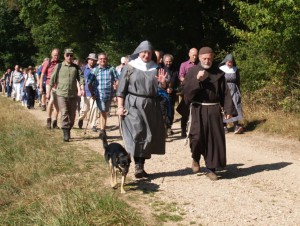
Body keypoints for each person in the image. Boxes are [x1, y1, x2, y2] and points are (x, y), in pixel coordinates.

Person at [183, 47, 237, 181]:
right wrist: (197, 80)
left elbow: (226, 93)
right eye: (204, 58)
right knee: (196, 138)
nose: (207, 60)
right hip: (197, 109)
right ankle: (195, 157)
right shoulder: (192, 72)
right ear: (199, 58)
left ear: (213, 58)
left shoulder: (219, 73)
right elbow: (187, 95)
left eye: (210, 58)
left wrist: (229, 110)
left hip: (213, 110)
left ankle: (210, 169)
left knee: (213, 139)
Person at [116, 40, 167, 178]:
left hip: (151, 105)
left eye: (149, 53)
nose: (146, 55)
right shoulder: (130, 67)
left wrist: (162, 83)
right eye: (144, 52)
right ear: (139, 52)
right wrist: (120, 106)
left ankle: (141, 165)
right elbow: (121, 89)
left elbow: (162, 89)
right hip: (133, 104)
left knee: (148, 135)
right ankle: (136, 164)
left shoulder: (156, 68)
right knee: (137, 132)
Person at [48, 48, 84, 142]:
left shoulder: (75, 67)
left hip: (73, 95)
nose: (69, 57)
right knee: (64, 112)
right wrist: (48, 92)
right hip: (61, 94)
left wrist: (82, 88)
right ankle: (65, 133)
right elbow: (52, 79)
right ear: (64, 56)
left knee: (72, 116)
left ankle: (68, 128)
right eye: (67, 55)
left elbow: (81, 78)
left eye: (71, 55)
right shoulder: (59, 66)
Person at [88, 52, 119, 136]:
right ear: (98, 60)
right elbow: (89, 83)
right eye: (101, 59)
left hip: (109, 95)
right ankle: (103, 131)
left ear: (107, 59)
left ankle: (102, 130)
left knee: (104, 111)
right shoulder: (95, 70)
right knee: (103, 111)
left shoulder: (111, 69)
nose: (102, 60)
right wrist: (92, 94)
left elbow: (117, 79)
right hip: (99, 95)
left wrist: (116, 85)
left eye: (104, 59)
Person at [219, 54, 244, 134]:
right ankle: (224, 126)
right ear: (226, 61)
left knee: (236, 107)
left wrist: (238, 91)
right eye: (229, 62)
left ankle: (236, 126)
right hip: (224, 91)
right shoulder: (221, 69)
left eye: (231, 62)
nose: (230, 64)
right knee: (225, 108)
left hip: (234, 90)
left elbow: (238, 82)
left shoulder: (235, 70)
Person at [177, 48, 198, 137]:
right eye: (193, 55)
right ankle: (183, 129)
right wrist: (187, 81)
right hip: (187, 90)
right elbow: (181, 76)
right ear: (189, 54)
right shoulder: (184, 65)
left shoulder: (199, 65)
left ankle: (194, 130)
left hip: (197, 91)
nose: (194, 57)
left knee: (196, 111)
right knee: (185, 110)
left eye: (196, 55)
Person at [77, 53, 99, 131]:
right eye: (91, 60)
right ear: (88, 60)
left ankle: (93, 125)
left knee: (95, 108)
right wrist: (80, 89)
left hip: (94, 92)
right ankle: (80, 118)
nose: (92, 61)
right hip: (85, 92)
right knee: (84, 109)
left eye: (94, 60)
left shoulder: (98, 69)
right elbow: (79, 80)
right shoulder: (83, 69)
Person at [41, 48, 60, 129]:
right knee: (51, 101)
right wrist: (40, 86)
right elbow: (42, 75)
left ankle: (55, 122)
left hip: (58, 85)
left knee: (57, 105)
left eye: (57, 55)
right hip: (49, 84)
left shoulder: (61, 64)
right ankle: (48, 120)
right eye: (55, 55)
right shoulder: (47, 63)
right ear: (52, 55)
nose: (56, 56)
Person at [163, 53, 179, 135]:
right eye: (167, 61)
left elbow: (177, 82)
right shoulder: (161, 69)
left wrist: (173, 89)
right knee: (163, 111)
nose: (168, 63)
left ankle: (169, 127)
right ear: (163, 61)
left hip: (172, 94)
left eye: (170, 61)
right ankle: (163, 128)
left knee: (171, 111)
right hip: (162, 94)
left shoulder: (175, 70)